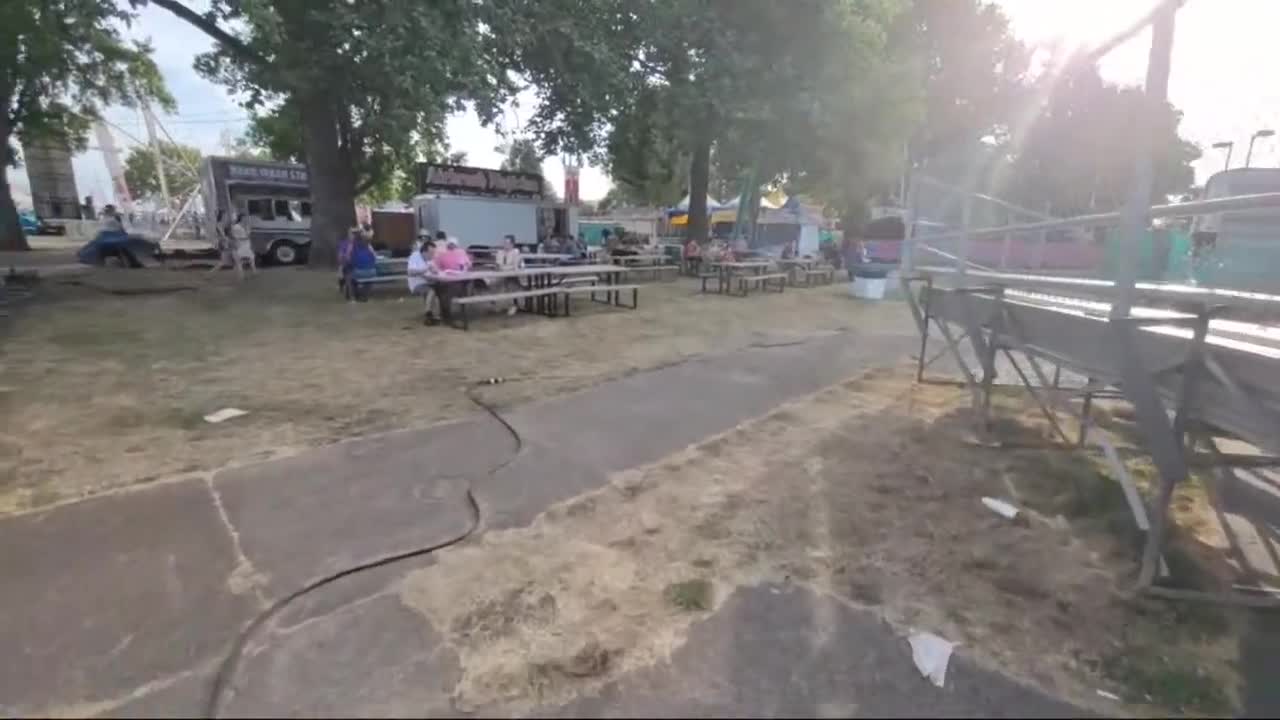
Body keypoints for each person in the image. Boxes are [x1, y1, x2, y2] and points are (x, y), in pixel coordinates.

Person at [408, 239, 442, 325]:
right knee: (431, 291)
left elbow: (434, 270)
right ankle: (428, 314)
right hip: (417, 284)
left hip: (429, 281)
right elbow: (410, 272)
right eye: (431, 253)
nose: (433, 255)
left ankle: (440, 314)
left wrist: (435, 271)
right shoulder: (415, 256)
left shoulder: (429, 259)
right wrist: (426, 269)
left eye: (433, 253)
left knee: (443, 288)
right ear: (424, 252)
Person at [345, 230, 379, 301]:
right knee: (369, 279)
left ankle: (355, 295)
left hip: (359, 271)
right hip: (371, 272)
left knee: (350, 277)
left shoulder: (353, 246)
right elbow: (375, 256)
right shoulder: (368, 245)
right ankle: (364, 295)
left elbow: (347, 257)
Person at [494, 234, 524, 315]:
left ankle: (514, 305)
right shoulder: (500, 252)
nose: (504, 244)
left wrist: (506, 268)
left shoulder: (516, 251)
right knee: (493, 283)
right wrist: (505, 268)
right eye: (504, 242)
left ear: (512, 244)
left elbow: (516, 266)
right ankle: (499, 304)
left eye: (507, 243)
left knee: (511, 282)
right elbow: (498, 265)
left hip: (513, 275)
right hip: (501, 274)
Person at [228, 213, 256, 279]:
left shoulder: (245, 226)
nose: (246, 219)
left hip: (246, 244)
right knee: (240, 260)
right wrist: (243, 238)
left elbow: (248, 234)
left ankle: (252, 272)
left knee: (251, 257)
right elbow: (234, 236)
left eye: (246, 218)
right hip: (240, 244)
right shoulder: (236, 226)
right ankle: (242, 275)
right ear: (241, 218)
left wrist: (248, 232)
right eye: (245, 218)